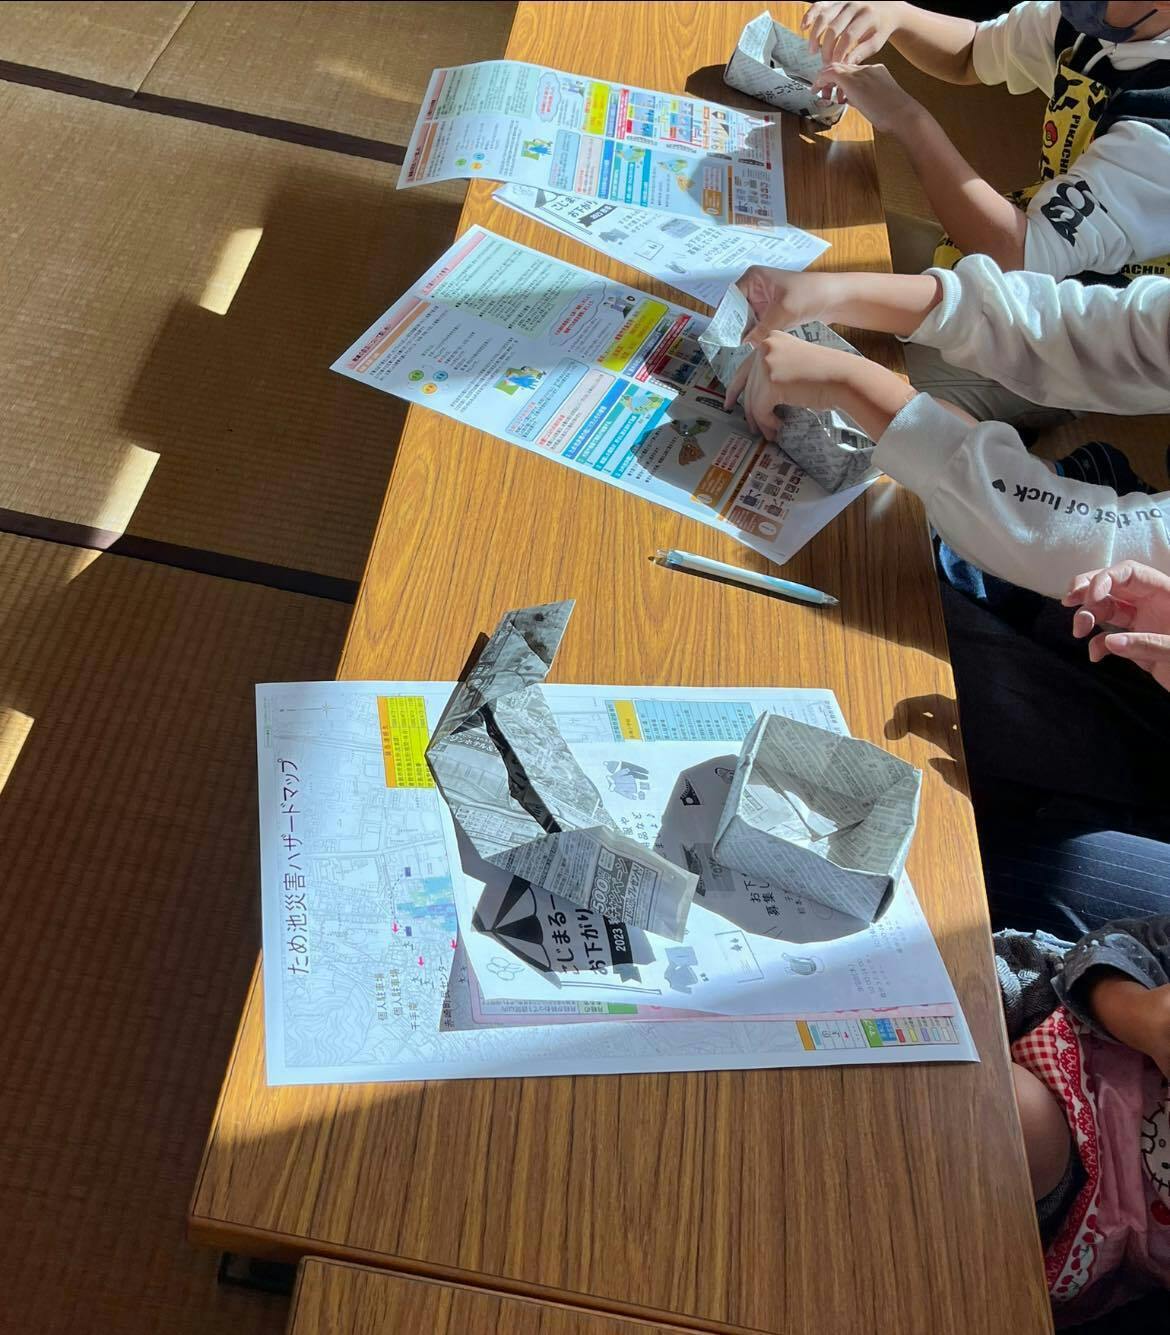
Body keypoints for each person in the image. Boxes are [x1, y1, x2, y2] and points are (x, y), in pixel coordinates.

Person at [800, 0, 1170, 427]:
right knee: (810, 242)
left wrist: (909, 120)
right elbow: (974, 50)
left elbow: (1018, 258)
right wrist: (895, 14)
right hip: (1005, 257)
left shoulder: (1158, 126)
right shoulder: (1101, 20)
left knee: (837, 405)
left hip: (1060, 340)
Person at [995, 912, 1170, 1323]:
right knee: (951, 989)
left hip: (1090, 1214)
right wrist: (1143, 1015)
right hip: (1062, 1020)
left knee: (1010, 1123)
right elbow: (1114, 948)